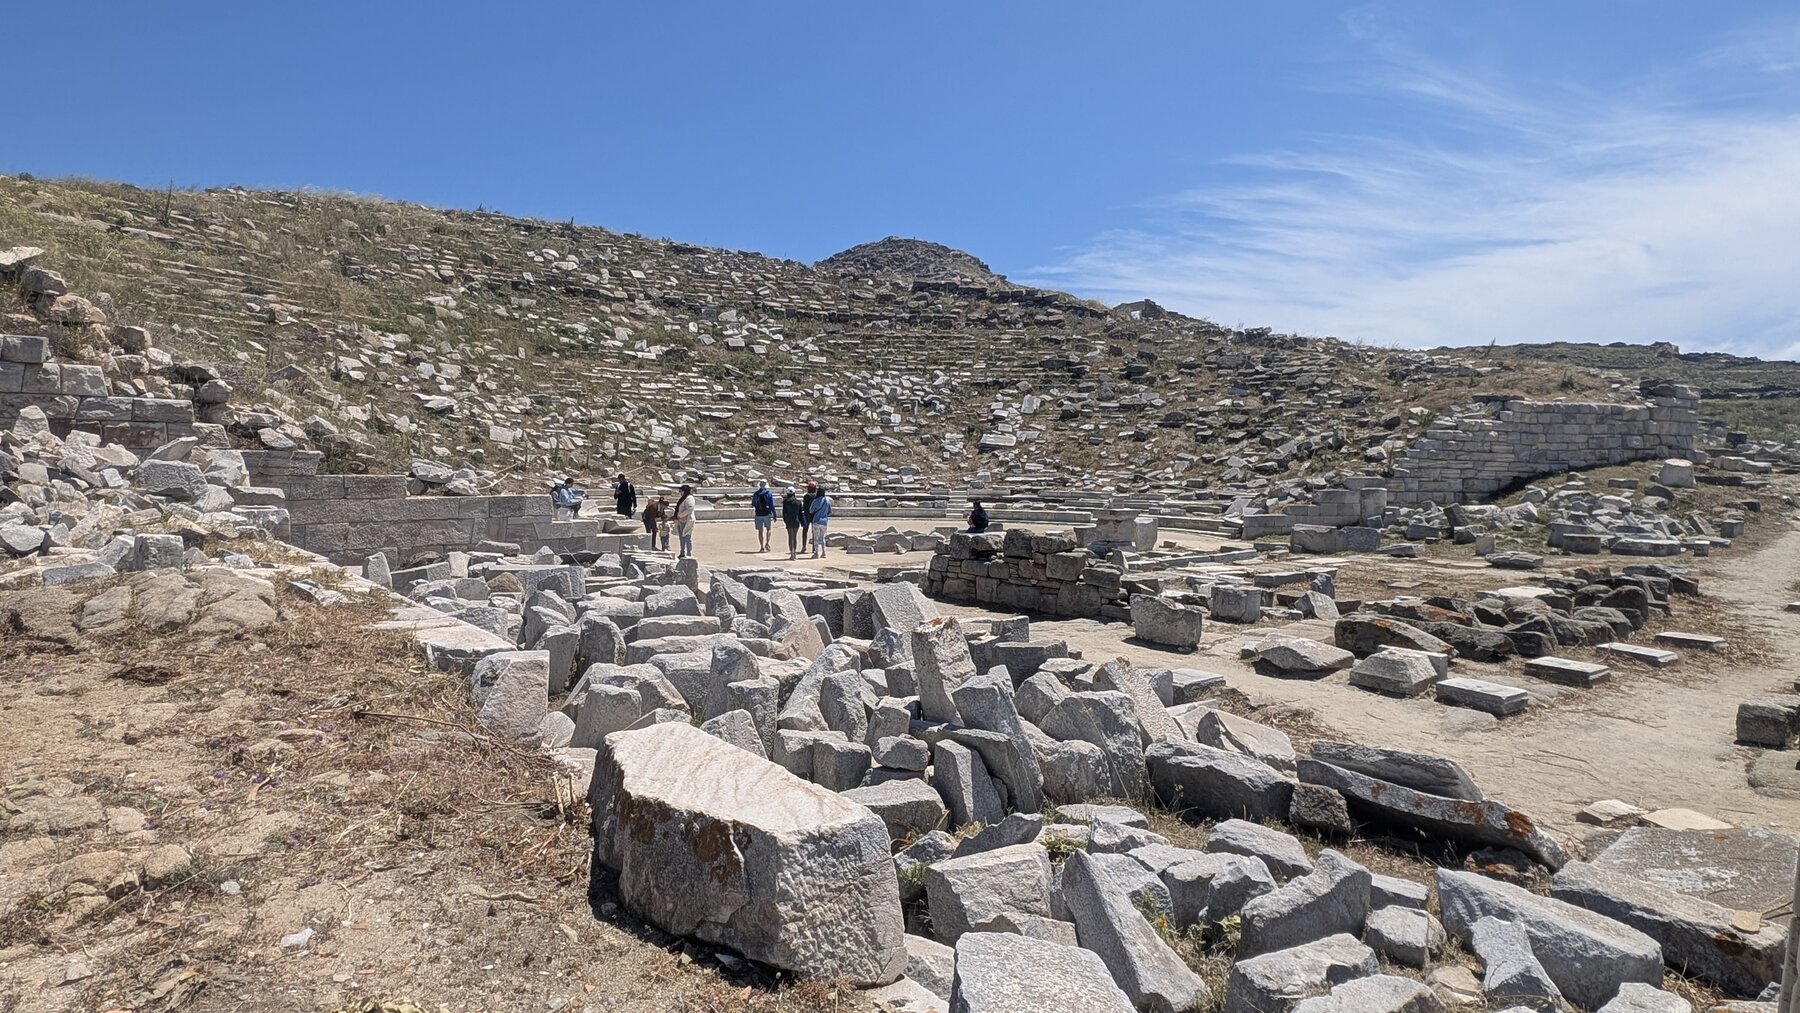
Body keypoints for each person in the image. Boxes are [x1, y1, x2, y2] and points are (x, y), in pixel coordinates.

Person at [807, 484, 833, 559]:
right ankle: (824, 553)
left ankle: (816, 553)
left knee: (816, 538)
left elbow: (811, 510)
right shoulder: (828, 501)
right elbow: (830, 512)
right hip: (824, 521)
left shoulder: (816, 501)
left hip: (816, 521)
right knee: (823, 538)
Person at [750, 479, 776, 553]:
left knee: (760, 531)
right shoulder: (769, 493)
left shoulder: (756, 494)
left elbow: (753, 504)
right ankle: (767, 543)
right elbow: (771, 505)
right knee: (768, 529)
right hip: (766, 513)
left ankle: (761, 547)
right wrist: (774, 514)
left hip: (758, 514)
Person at [780, 486, 804, 560]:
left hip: (789, 521)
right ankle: (795, 553)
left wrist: (786, 521)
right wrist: (801, 521)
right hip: (796, 521)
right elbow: (800, 513)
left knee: (790, 537)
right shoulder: (798, 502)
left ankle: (792, 553)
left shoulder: (786, 502)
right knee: (795, 537)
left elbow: (784, 514)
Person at [673, 484, 697, 559]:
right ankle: (682, 552)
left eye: (681, 491)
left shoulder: (689, 498)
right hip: (681, 521)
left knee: (687, 537)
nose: (680, 493)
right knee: (681, 538)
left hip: (686, 521)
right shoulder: (683, 498)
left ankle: (689, 553)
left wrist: (680, 515)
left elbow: (690, 508)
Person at [800, 481, 819, 545]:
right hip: (815, 515)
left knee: (805, 530)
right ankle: (814, 547)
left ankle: (804, 546)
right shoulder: (817, 496)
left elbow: (805, 506)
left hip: (807, 515)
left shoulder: (806, 496)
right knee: (814, 531)